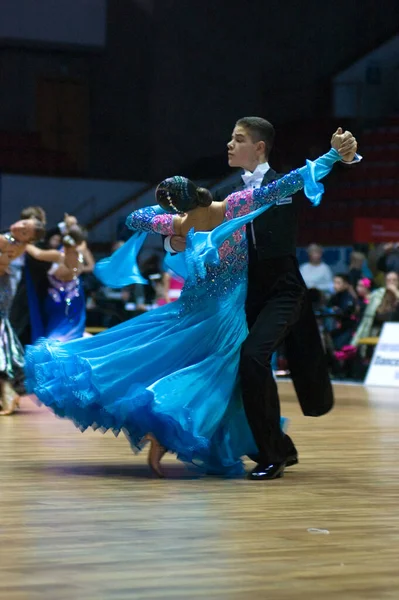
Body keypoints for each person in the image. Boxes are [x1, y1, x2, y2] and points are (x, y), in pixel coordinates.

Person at [25, 135, 355, 478]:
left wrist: (168, 229)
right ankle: (236, 443)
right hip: (224, 316)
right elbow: (291, 182)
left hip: (192, 312)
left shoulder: (177, 223)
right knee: (216, 381)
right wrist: (331, 156)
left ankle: (240, 443)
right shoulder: (235, 205)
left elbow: (135, 218)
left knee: (153, 361)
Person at [166, 118, 359, 480]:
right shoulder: (224, 190)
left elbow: (318, 173)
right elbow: (190, 226)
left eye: (237, 139)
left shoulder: (281, 183)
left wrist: (341, 154)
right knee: (237, 367)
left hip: (283, 287)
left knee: (254, 356)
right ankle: (274, 447)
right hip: (243, 291)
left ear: (259, 147)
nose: (228, 144)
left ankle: (272, 454)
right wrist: (173, 239)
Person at [10, 210, 78, 345]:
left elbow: (41, 253)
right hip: (17, 290)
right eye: (24, 222)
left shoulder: (45, 250)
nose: (21, 227)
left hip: (40, 294)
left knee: (19, 324)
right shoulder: (9, 237)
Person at [0, 217, 45, 415]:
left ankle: (8, 393)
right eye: (22, 223)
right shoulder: (9, 240)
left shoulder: (12, 243)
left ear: (29, 240)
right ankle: (8, 393)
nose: (19, 226)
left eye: (25, 231)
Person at [24, 226, 87, 342]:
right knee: (71, 337)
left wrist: (24, 242)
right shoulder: (80, 255)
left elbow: (37, 254)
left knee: (55, 335)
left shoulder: (58, 255)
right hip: (73, 300)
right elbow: (89, 265)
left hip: (57, 301)